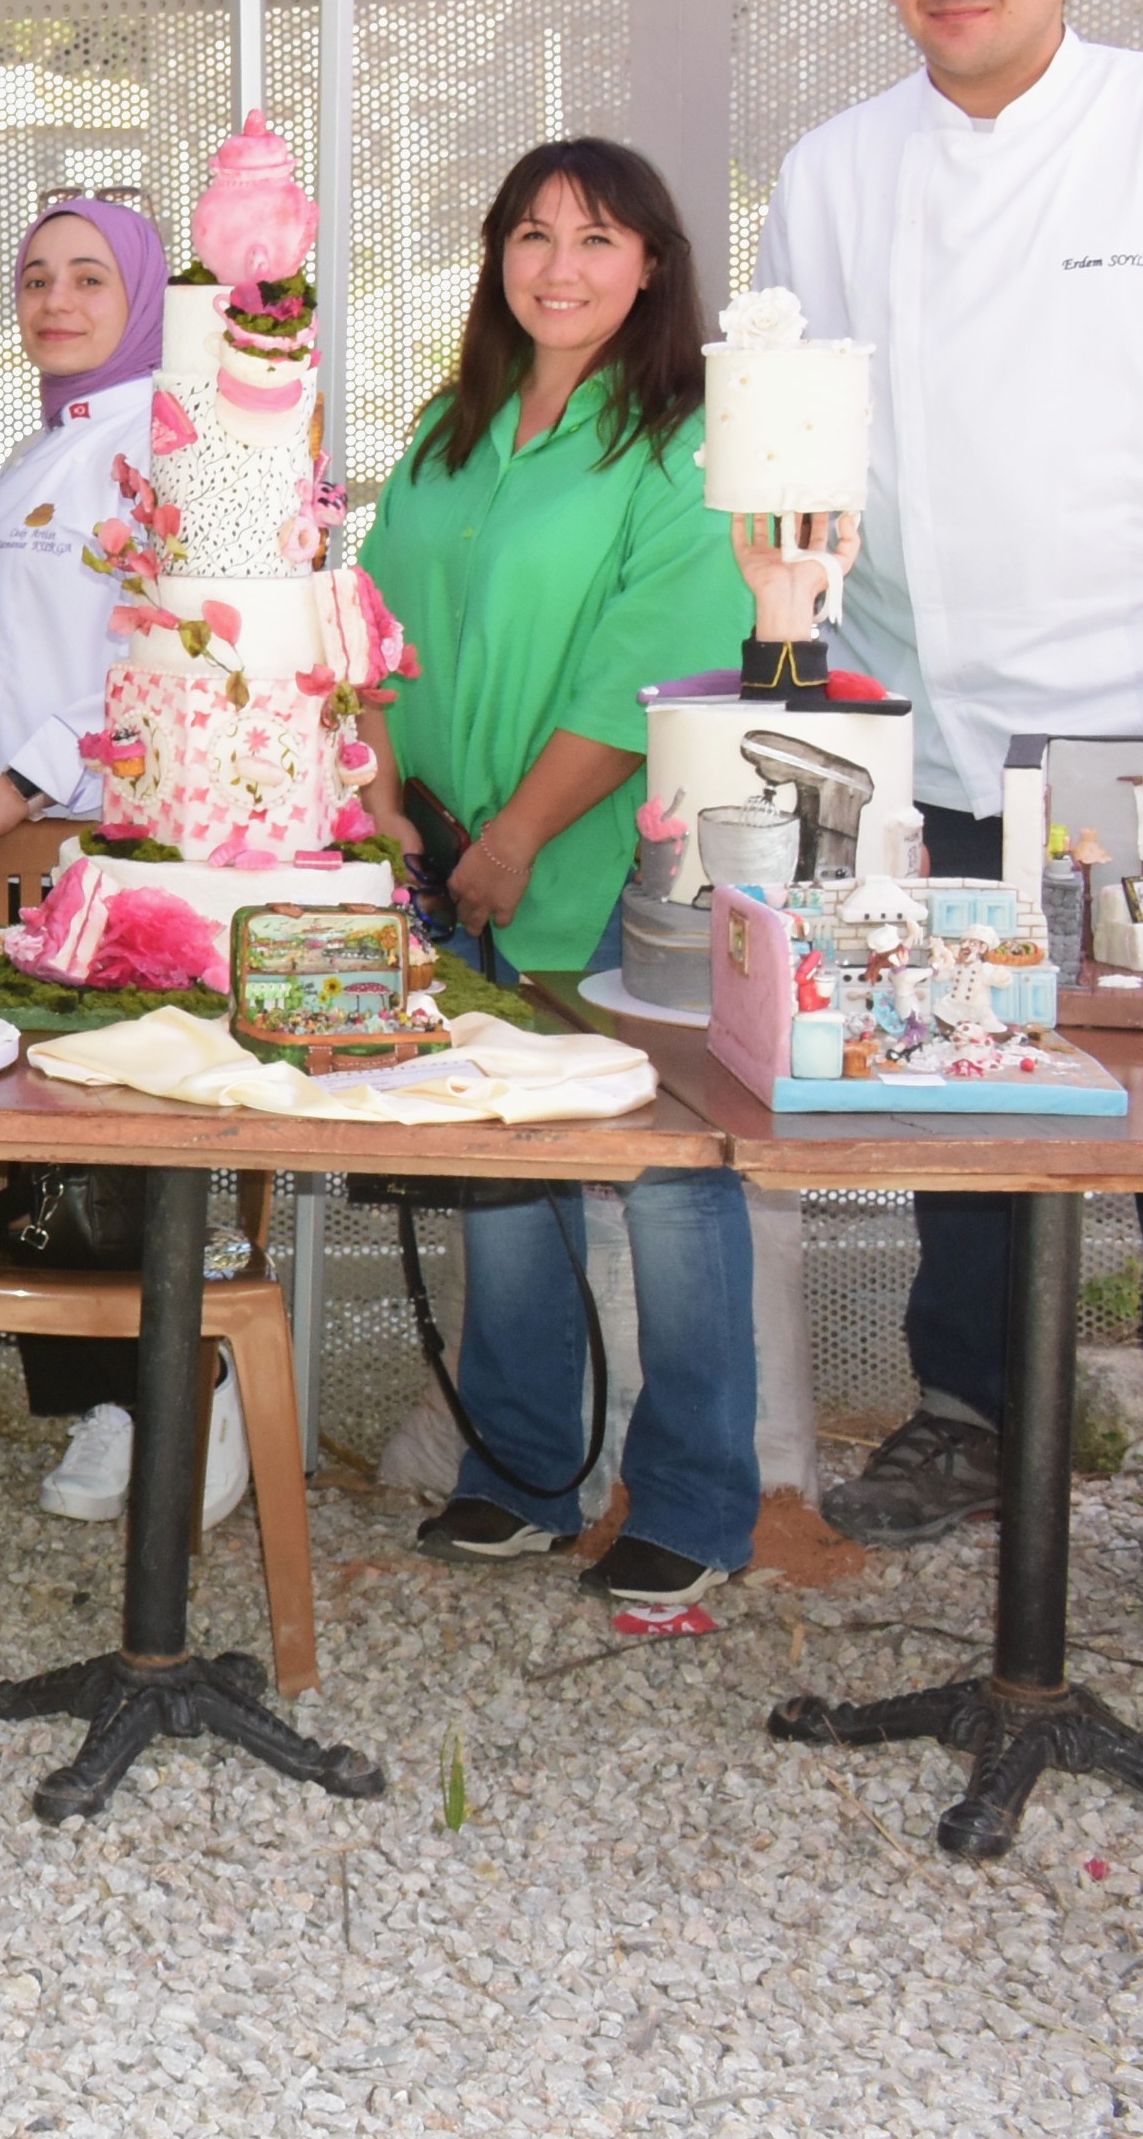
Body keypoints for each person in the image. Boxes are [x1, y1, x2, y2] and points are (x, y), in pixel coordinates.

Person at [764, 0, 1143, 1548]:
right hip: (920, 711)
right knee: (965, 1076)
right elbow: (798, 443)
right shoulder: (836, 169)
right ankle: (968, 1412)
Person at [357, 138, 757, 1613]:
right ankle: (525, 1474)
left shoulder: (682, 437)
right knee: (504, 1175)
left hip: (613, 873)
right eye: (531, 234)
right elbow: (375, 633)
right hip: (446, 860)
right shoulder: (446, 431)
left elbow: (647, 661)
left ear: (652, 260)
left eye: (596, 237)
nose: (560, 265)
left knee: (665, 1185)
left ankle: (702, 1502)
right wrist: (390, 806)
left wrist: (522, 835)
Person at [0, 198, 235, 1524]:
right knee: (29, 1139)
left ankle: (167, 1393)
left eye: (86, 281)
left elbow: (172, 652)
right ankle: (101, 1398)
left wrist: (17, 778)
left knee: (104, 1129)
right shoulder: (37, 449)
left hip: (98, 838)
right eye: (35, 278)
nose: (56, 303)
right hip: (10, 852)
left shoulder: (166, 450)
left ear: (142, 303)